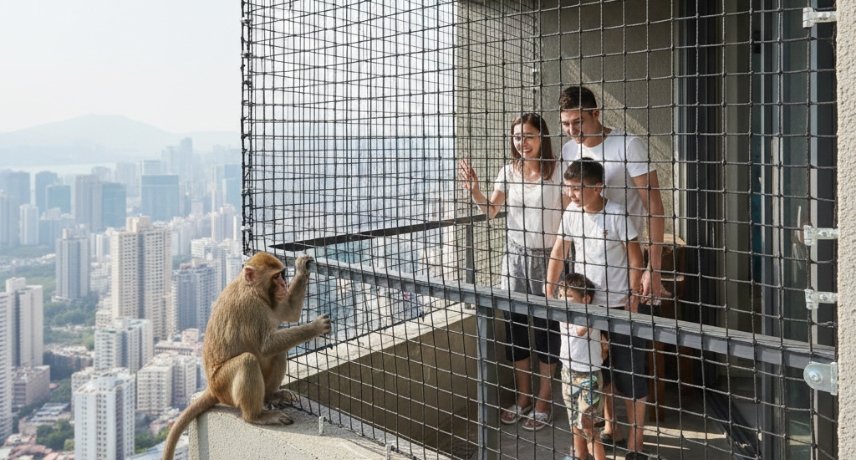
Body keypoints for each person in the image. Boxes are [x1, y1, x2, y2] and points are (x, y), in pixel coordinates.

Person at [558, 86, 667, 457]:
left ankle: (636, 442)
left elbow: (654, 203)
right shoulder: (571, 151)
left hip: (626, 276)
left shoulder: (627, 145)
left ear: (596, 113)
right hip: (587, 287)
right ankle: (611, 425)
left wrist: (654, 268)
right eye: (566, 124)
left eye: (578, 121)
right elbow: (569, 214)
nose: (572, 130)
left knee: (629, 366)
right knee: (592, 365)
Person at [459, 113, 563, 431]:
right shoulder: (508, 171)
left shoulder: (558, 171)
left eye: (528, 136)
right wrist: (475, 191)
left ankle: (544, 401)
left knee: (548, 330)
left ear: (542, 137)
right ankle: (523, 398)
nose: (522, 142)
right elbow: (492, 210)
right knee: (516, 329)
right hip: (514, 259)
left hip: (551, 260)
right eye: (517, 137)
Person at [545, 158, 645, 458]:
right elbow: (559, 250)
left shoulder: (616, 214)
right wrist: (549, 287)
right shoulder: (571, 213)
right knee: (600, 375)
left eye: (577, 189)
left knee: (630, 374)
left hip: (617, 308)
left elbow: (635, 258)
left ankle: (635, 447)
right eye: (569, 188)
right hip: (585, 310)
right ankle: (610, 428)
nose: (572, 194)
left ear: (597, 186)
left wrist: (633, 294)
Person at [556, 273, 607, 460]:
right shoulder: (562, 312)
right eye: (560, 296)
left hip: (589, 377)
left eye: (568, 297)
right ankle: (579, 456)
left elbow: (580, 331)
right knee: (574, 422)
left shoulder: (590, 315)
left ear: (586, 299)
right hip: (567, 372)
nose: (562, 301)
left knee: (589, 427)